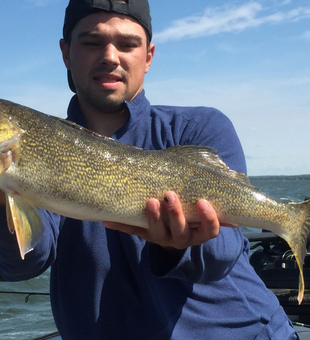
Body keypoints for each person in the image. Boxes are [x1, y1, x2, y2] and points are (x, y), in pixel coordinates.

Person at [0, 0, 302, 339]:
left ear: (148, 56)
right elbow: (23, 262)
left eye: (128, 44)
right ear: (66, 52)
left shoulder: (200, 126)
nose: (110, 56)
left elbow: (225, 251)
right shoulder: (41, 153)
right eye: (91, 42)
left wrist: (180, 245)